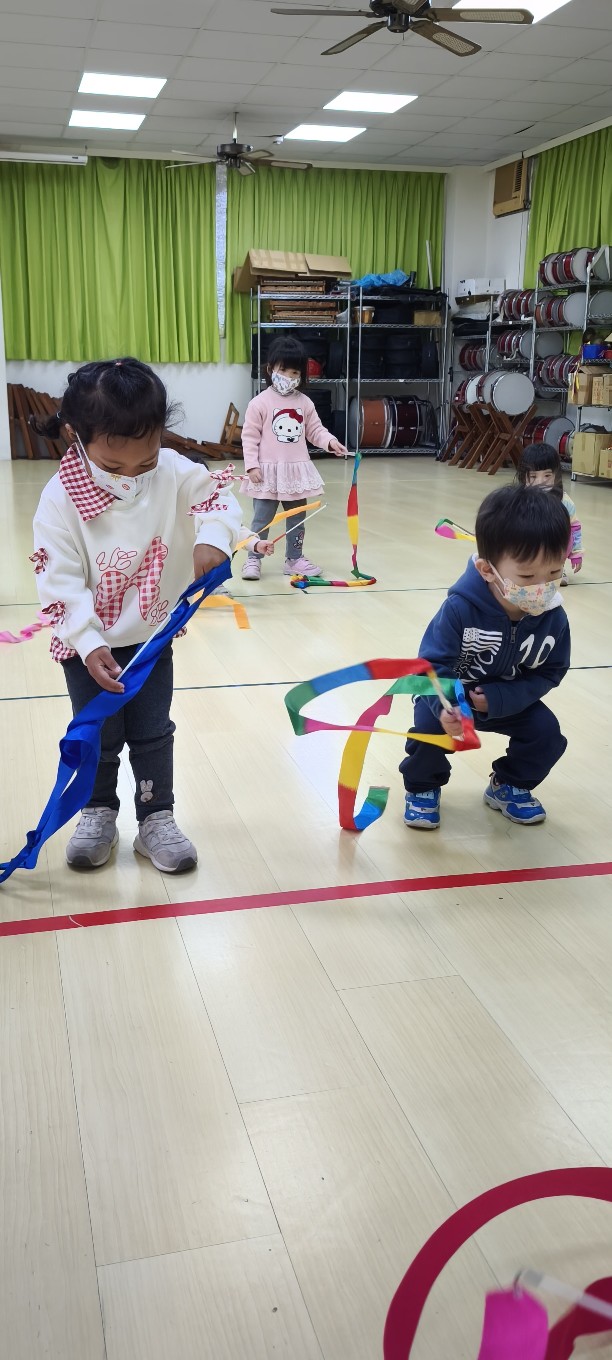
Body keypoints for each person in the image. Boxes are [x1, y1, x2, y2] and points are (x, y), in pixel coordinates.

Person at [30, 357, 246, 874]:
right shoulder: (60, 500)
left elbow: (218, 499)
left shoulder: (172, 471)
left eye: (144, 462)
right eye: (113, 465)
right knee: (98, 735)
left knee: (152, 732)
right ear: (75, 436)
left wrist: (215, 538)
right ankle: (98, 811)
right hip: (88, 645)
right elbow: (59, 581)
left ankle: (156, 817)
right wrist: (87, 643)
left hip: (151, 637)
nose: (131, 477)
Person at [400, 485, 571, 831]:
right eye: (527, 576)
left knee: (546, 734)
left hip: (509, 699)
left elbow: (551, 671)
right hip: (450, 700)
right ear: (487, 569)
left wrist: (500, 698)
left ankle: (508, 784)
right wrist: (447, 705)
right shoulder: (459, 609)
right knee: (428, 732)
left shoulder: (552, 615)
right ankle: (422, 787)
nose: (542, 587)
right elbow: (431, 665)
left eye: (554, 573)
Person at [241, 335, 348, 581]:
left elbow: (315, 430)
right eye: (283, 370)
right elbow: (249, 437)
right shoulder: (259, 403)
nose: (288, 377)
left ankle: (294, 559)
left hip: (296, 474)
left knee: (298, 518)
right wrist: (252, 466)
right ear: (271, 369)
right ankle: (253, 558)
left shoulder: (305, 403)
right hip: (266, 473)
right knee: (262, 519)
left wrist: (330, 442)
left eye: (294, 372)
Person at [515, 441, 583, 584]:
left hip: (555, 549)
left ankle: (555, 569)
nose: (540, 482)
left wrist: (577, 553)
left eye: (547, 476)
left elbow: (575, 528)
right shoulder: (517, 500)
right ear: (523, 476)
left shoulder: (564, 502)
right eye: (533, 477)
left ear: (556, 475)